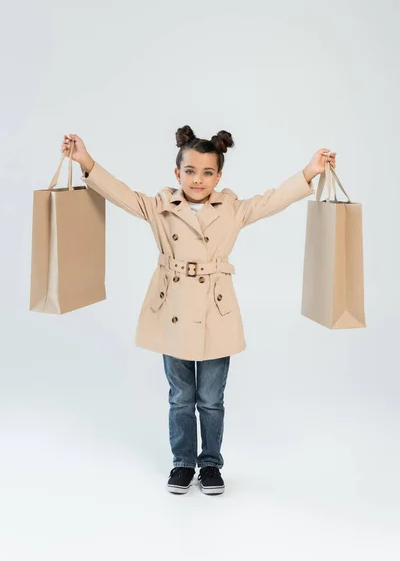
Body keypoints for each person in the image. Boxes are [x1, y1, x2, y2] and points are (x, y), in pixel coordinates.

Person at [61, 127, 336, 496]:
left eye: (207, 173)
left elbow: (272, 200)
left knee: (211, 399)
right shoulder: (160, 207)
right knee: (180, 396)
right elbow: (122, 194)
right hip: (171, 305)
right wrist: (85, 161)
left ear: (219, 176)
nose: (198, 179)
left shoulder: (232, 209)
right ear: (177, 174)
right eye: (190, 171)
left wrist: (309, 171)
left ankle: (209, 463)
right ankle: (182, 462)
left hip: (215, 311)